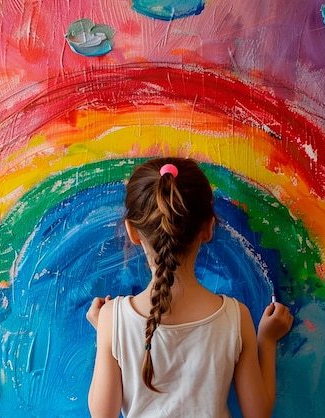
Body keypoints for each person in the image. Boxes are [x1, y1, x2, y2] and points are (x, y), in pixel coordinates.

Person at [86, 157, 293, 418]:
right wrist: (267, 339)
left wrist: (107, 331)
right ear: (208, 228)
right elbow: (258, 413)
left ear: (133, 232)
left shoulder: (111, 319)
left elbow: (101, 414)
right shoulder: (236, 317)